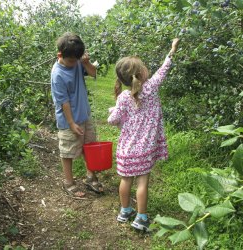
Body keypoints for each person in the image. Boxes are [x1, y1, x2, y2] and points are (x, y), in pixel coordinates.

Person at [108, 38, 180, 231]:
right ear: (141, 74)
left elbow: (112, 120)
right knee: (142, 182)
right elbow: (164, 68)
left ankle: (124, 212)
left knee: (125, 180)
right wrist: (172, 49)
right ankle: (141, 218)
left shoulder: (123, 97)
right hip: (144, 149)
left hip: (125, 149)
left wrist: (115, 112)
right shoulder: (151, 87)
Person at [51, 32, 103, 198]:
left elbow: (94, 73)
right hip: (69, 120)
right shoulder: (58, 74)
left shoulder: (78, 61)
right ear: (60, 55)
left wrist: (86, 63)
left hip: (84, 115)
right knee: (68, 151)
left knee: (90, 146)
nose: (74, 64)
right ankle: (68, 182)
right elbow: (63, 102)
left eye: (77, 60)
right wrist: (72, 123)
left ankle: (90, 177)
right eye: (71, 61)